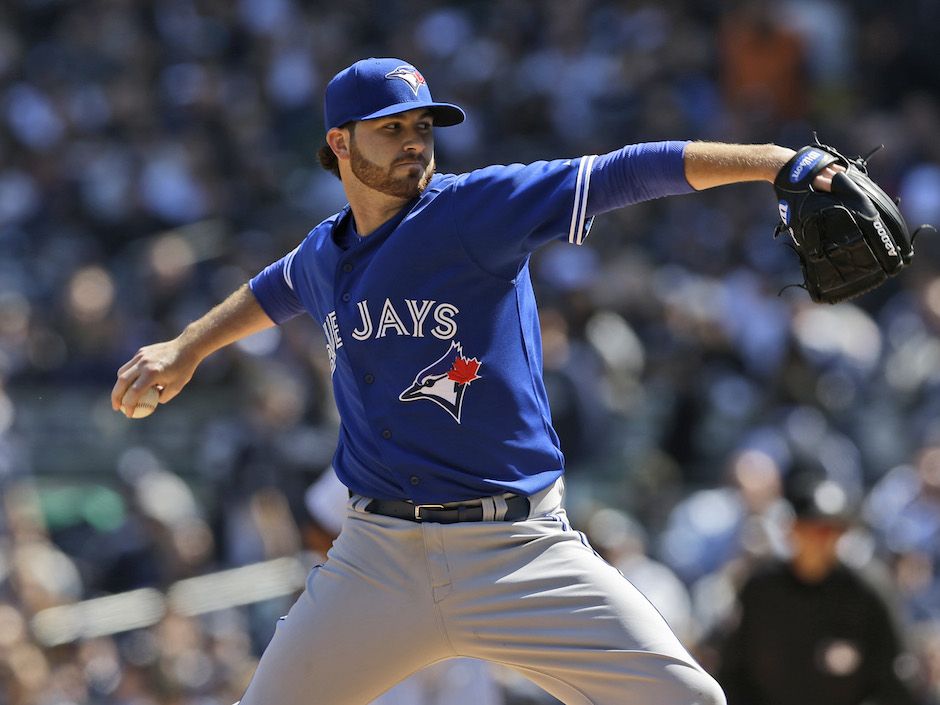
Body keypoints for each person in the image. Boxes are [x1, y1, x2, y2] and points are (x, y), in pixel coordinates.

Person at [112, 57, 841, 705]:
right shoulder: (323, 254)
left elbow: (625, 170)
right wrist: (186, 347)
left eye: (422, 126)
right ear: (338, 143)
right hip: (377, 556)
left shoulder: (472, 209)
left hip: (518, 549)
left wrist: (774, 161)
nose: (413, 141)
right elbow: (274, 289)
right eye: (389, 128)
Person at [715, 463, 924, 705]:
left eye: (831, 531)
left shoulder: (867, 590)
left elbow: (895, 674)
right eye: (813, 529)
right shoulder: (761, 588)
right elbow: (733, 668)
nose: (821, 540)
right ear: (791, 529)